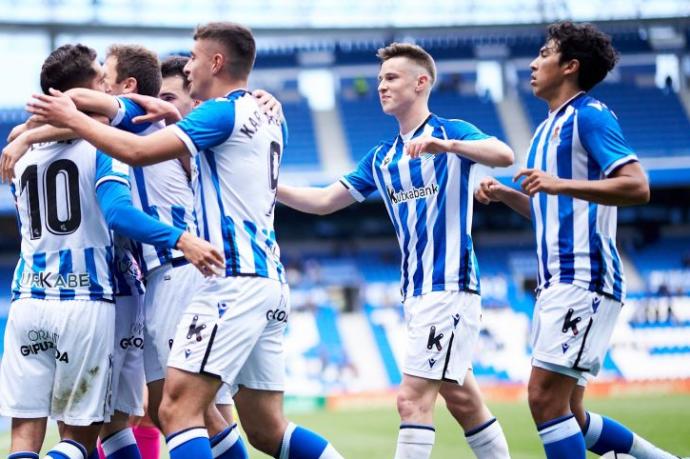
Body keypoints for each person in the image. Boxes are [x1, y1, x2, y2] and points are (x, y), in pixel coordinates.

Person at [26, 22, 343, 459]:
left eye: (194, 57)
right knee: (264, 428)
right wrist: (172, 115)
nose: (188, 65)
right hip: (261, 277)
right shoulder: (268, 119)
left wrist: (52, 124)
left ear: (216, 61)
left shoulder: (215, 115)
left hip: (212, 278)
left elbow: (123, 143)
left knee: (178, 410)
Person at [277, 42, 514, 459]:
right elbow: (322, 201)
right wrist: (264, 184)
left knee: (411, 400)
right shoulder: (381, 157)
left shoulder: (449, 131)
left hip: (450, 286)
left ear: (421, 83)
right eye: (381, 78)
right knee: (462, 400)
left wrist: (451, 148)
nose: (381, 86)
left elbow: (504, 154)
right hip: (416, 293)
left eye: (391, 78)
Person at [475, 21, 685, 459]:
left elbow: (637, 186)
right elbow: (549, 210)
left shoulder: (589, 115)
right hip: (560, 281)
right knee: (571, 411)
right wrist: (507, 195)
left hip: (583, 277)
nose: (533, 63)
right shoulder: (545, 129)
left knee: (544, 399)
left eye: (545, 54)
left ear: (570, 66)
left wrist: (557, 184)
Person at [0, 43, 221, 459]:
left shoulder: (22, 153)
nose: (106, 84)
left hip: (28, 299)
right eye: (99, 78)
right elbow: (116, 209)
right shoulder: (107, 143)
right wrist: (181, 238)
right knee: (82, 438)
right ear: (82, 91)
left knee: (35, 439)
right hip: (92, 299)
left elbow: (58, 124)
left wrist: (27, 133)